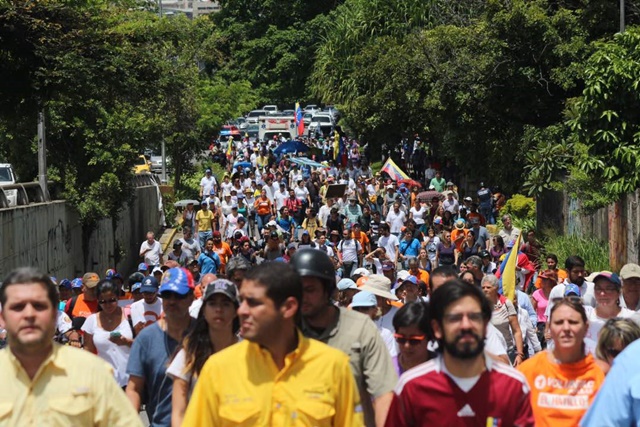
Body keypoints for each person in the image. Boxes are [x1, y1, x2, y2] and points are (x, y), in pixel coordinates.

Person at [182, 262, 363, 426]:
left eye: (253, 302)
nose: (242, 310)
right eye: (242, 301)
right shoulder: (217, 369)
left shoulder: (334, 367)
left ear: (288, 307)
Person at [0, 267, 141, 426]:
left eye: (39, 306)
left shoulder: (93, 372)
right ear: (3, 317)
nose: (29, 314)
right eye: (17, 307)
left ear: (55, 313)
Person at [385, 279, 534, 426]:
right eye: (455, 318)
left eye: (474, 317)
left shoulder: (513, 386)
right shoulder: (412, 387)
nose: (465, 325)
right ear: (437, 328)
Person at [292, 248, 397, 427]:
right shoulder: (284, 331)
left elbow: (384, 393)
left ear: (328, 290)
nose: (303, 297)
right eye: (296, 289)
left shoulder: (361, 328)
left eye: (310, 289)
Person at [518, 297, 605, 427]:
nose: (566, 328)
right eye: (559, 322)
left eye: (573, 322)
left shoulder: (602, 374)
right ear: (550, 328)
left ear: (586, 327)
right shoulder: (528, 371)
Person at [126, 267, 196, 427]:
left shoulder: (205, 335)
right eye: (166, 295)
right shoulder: (145, 339)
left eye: (178, 295)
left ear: (191, 298)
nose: (172, 301)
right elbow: (134, 389)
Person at [167, 279, 240, 427]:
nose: (219, 309)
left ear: (236, 311)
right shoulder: (189, 353)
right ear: (204, 310)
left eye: (226, 304)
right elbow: (178, 413)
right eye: (212, 303)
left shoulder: (249, 351)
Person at [82, 279, 134, 389]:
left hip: (130, 380)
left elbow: (143, 347)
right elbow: (88, 353)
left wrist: (126, 342)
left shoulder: (130, 315)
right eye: (102, 301)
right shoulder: (91, 321)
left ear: (118, 297)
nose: (108, 305)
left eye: (112, 300)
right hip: (104, 382)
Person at [481, 274, 524, 365]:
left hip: (507, 351)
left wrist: (519, 354)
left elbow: (516, 331)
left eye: (488, 287)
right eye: (483, 287)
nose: (485, 290)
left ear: (496, 288)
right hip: (486, 352)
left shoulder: (506, 304)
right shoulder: (478, 305)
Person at [584, 272, 637, 344]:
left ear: (619, 292)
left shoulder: (632, 318)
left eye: (608, 289)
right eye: (598, 289)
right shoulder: (585, 316)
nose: (602, 294)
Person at [351, 290, 397, 358]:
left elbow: (391, 361)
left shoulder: (385, 334)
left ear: (375, 310)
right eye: (356, 309)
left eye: (365, 308)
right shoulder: (346, 333)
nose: (360, 312)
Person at [392, 301, 432, 376]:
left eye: (414, 340)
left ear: (428, 337)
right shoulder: (385, 369)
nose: (407, 346)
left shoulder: (442, 370)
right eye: (401, 339)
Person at [531, 269, 556, 348]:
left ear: (551, 281)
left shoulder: (556, 293)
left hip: (554, 323)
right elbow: (532, 311)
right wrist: (534, 325)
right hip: (541, 324)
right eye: (542, 279)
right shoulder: (536, 293)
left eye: (545, 280)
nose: (542, 281)